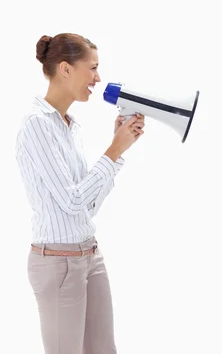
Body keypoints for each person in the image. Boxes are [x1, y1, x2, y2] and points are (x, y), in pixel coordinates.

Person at [15, 33, 145, 354]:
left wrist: (116, 153)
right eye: (93, 68)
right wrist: (113, 151)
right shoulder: (37, 125)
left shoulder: (69, 126)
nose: (98, 78)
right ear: (65, 69)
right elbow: (73, 201)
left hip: (89, 256)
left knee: (104, 350)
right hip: (58, 264)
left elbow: (87, 204)